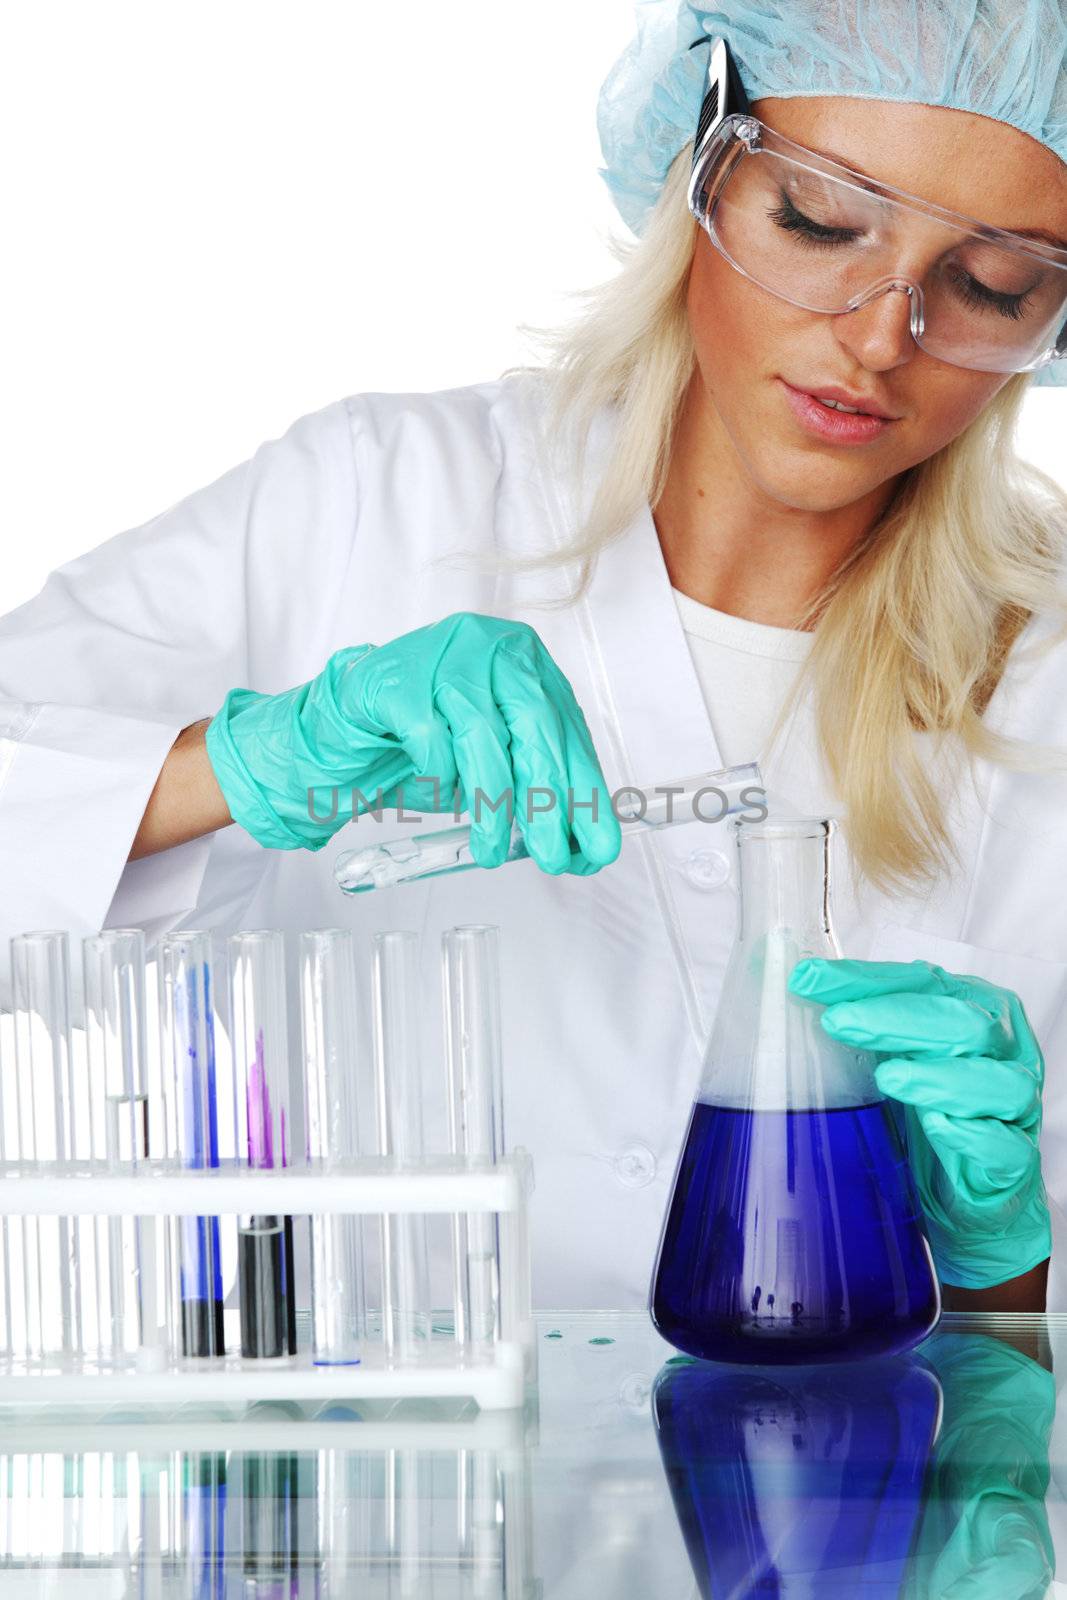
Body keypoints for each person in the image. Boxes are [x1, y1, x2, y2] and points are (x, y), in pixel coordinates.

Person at [1, 0, 1066, 1315]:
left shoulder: (1044, 686)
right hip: (369, 1483)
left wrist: (1000, 1250)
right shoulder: (377, 500)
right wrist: (235, 764)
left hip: (819, 1502)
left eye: (992, 284)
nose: (879, 334)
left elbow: (1023, 1402)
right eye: (819, 223)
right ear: (700, 175)